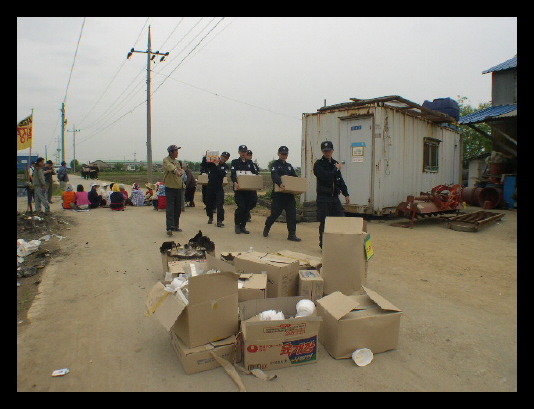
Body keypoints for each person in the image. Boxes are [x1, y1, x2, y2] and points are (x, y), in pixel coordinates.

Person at [313, 141, 350, 248]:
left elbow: (340, 181)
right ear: (322, 152)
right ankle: (323, 245)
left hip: (334, 198)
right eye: (325, 151)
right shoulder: (318, 164)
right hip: (323, 198)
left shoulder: (335, 163)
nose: (327, 153)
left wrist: (346, 194)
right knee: (325, 222)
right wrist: (336, 169)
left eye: (329, 151)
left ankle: (337, 243)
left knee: (340, 219)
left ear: (332, 151)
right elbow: (325, 176)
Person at [263, 146, 301, 241]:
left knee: (292, 215)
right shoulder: (275, 164)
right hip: (278, 195)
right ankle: (267, 226)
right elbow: (274, 175)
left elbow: (294, 177)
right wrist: (280, 183)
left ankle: (292, 234)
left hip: (289, 195)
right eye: (282, 154)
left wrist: (298, 187)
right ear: (278, 154)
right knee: (275, 214)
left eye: (285, 154)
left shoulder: (289, 166)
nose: (284, 156)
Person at [230, 145, 259, 234]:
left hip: (250, 190)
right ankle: (237, 225)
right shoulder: (235, 162)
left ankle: (243, 226)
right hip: (240, 189)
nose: (243, 153)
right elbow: (233, 174)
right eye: (242, 152)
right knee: (241, 207)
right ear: (239, 152)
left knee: (249, 206)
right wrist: (235, 182)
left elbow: (256, 173)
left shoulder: (250, 163)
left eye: (245, 152)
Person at [202, 151, 230, 227]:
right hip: (210, 186)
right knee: (209, 203)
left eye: (226, 157)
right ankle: (210, 217)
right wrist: (206, 157)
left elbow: (222, 174)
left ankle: (219, 221)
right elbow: (204, 165)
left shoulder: (226, 167)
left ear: (227, 159)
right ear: (220, 156)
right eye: (223, 156)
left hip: (219, 187)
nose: (224, 158)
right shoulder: (212, 164)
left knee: (220, 204)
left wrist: (217, 165)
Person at [162, 144, 184, 236]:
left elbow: (181, 170)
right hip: (170, 187)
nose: (177, 153)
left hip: (178, 188)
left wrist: (181, 171)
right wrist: (176, 171)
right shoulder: (166, 160)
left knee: (177, 208)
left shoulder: (177, 162)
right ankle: (169, 227)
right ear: (171, 152)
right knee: (170, 208)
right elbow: (170, 167)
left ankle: (176, 225)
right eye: (176, 151)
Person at [246, 150, 259, 222]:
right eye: (247, 155)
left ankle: (246, 211)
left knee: (254, 201)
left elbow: (256, 173)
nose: (249, 156)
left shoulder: (254, 165)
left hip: (252, 185)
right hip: (245, 186)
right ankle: (246, 215)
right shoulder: (243, 163)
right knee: (246, 201)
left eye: (250, 155)